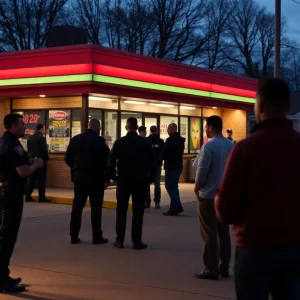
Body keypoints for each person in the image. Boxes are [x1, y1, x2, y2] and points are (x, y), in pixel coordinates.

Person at [215, 77, 300, 299]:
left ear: (259, 106)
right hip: (295, 249)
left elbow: (226, 210)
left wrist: (216, 200)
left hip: (254, 248)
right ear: (288, 107)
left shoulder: (245, 149)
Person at [0, 113, 43, 292]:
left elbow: (17, 163)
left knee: (3, 234)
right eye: (21, 124)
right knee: (7, 236)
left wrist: (29, 161)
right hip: (11, 194)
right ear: (12, 126)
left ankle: (2, 274)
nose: (25, 127)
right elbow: (23, 171)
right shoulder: (13, 144)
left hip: (3, 191)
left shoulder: (3, 141)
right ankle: (2, 280)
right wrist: (36, 165)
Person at [193, 116, 233, 281]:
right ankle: (224, 267)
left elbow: (202, 170)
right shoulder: (231, 145)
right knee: (224, 232)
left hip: (208, 195)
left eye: (205, 127)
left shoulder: (208, 146)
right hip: (224, 195)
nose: (204, 130)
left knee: (209, 232)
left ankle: (211, 268)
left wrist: (196, 188)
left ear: (210, 127)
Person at [108, 117, 155, 250]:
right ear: (137, 126)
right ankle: (136, 241)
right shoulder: (145, 143)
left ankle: (119, 240)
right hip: (140, 181)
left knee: (121, 210)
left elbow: (110, 162)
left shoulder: (119, 142)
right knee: (138, 211)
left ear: (126, 127)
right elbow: (153, 163)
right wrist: (150, 179)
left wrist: (114, 177)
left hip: (123, 180)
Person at [65, 119, 110, 245]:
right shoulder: (100, 141)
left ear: (88, 126)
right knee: (96, 208)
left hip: (79, 176)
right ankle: (96, 236)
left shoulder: (76, 139)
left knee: (77, 206)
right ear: (98, 127)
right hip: (96, 177)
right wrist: (107, 177)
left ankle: (74, 235)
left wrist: (76, 168)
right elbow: (107, 160)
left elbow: (67, 158)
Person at [161, 123, 185, 216]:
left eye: (168, 129)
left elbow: (164, 152)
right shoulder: (180, 140)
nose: (167, 130)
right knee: (174, 187)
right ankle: (175, 207)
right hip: (179, 165)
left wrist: (160, 159)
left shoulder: (170, 140)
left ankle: (176, 207)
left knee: (170, 187)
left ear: (171, 129)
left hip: (171, 166)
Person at [26, 124, 49, 202]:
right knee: (41, 180)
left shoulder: (30, 138)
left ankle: (28, 195)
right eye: (44, 128)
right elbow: (43, 150)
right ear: (41, 129)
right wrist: (46, 159)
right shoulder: (41, 138)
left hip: (32, 161)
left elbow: (28, 149)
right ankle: (42, 197)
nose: (45, 130)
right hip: (40, 161)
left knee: (32, 179)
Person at [145, 125, 164, 209]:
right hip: (157, 164)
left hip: (149, 164)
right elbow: (162, 152)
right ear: (157, 131)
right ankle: (157, 202)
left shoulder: (146, 140)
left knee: (147, 183)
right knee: (157, 184)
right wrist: (160, 160)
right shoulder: (160, 141)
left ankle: (147, 201)